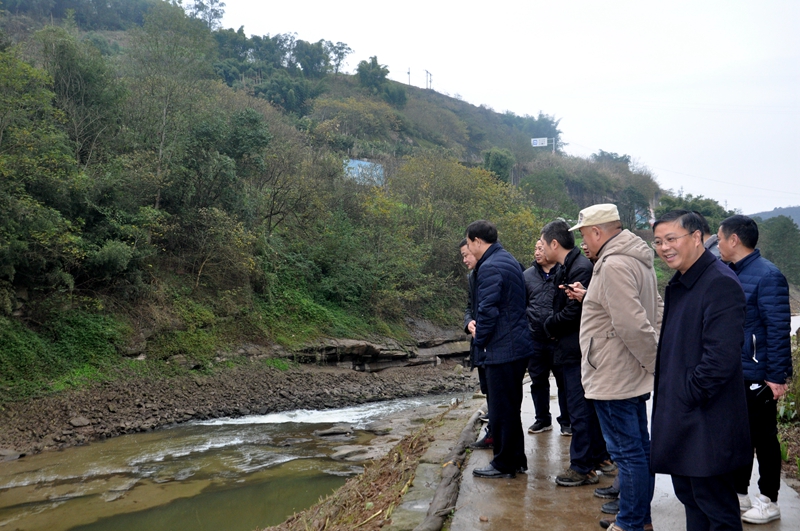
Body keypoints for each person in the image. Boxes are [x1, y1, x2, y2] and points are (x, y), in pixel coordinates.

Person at [651, 210, 750, 531]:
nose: (664, 247)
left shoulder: (718, 282)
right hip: (685, 419)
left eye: (671, 239)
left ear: (696, 237)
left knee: (716, 509)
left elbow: (720, 360)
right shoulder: (684, 281)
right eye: (658, 241)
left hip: (707, 422)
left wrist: (685, 394)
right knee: (692, 501)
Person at [571, 204, 660, 531]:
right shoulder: (637, 260)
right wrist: (653, 362)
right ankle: (640, 520)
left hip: (614, 373)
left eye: (584, 234)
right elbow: (657, 311)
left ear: (597, 232)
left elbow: (632, 324)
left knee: (628, 454)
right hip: (628, 371)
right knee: (638, 449)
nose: (584, 242)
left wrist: (656, 364)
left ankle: (630, 523)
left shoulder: (613, 264)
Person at [717, 215, 792, 524]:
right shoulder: (731, 272)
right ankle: (739, 493)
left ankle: (769, 499)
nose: (718, 244)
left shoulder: (768, 276)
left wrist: (776, 377)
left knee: (764, 438)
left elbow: (778, 328)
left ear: (734, 240)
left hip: (759, 374)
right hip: (736, 371)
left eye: (720, 238)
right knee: (739, 438)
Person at [539, 219, 612, 487]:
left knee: (580, 409)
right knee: (583, 408)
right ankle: (596, 458)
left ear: (553, 243)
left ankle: (582, 466)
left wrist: (548, 326)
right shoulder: (568, 266)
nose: (541, 249)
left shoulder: (580, 268)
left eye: (543, 243)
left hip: (577, 350)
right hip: (570, 347)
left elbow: (574, 311)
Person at [466, 220, 539, 478]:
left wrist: (480, 338)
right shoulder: (507, 259)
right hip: (515, 346)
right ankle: (516, 459)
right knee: (510, 407)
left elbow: (488, 309)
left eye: (468, 243)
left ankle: (504, 463)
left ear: (477, 241)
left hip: (502, 348)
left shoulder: (490, 267)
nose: (468, 249)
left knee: (501, 410)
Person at [523, 240, 570, 436]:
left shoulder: (564, 272)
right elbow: (522, 305)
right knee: (538, 381)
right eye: (535, 248)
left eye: (541, 248)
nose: (537, 252)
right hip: (535, 338)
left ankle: (567, 421)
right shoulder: (527, 276)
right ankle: (542, 420)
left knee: (564, 382)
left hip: (558, 339)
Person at [461, 239, 493, 450]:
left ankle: (495, 436)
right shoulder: (472, 276)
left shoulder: (490, 272)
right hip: (478, 343)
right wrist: (468, 323)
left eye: (466, 254)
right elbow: (468, 307)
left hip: (490, 344)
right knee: (487, 389)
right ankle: (493, 433)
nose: (464, 260)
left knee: (496, 392)